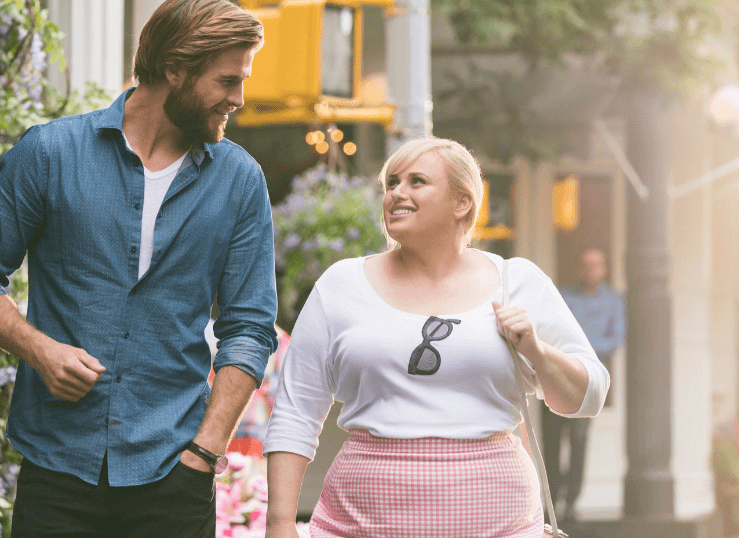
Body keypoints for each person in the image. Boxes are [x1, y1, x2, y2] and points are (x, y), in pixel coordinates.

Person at [0, 0, 279, 538]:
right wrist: (40, 349)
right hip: (56, 467)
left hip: (174, 471)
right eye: (227, 81)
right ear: (175, 69)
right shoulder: (50, 153)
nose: (239, 98)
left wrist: (205, 453)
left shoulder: (239, 180)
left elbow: (248, 327)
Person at [262, 137, 610, 538]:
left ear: (461, 203)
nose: (396, 193)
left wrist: (536, 350)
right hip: (360, 526)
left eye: (416, 182)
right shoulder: (341, 285)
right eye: (392, 182)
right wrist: (280, 524)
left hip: (501, 526)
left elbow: (589, 396)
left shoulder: (519, 282)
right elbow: (295, 412)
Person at [541, 247, 625, 521]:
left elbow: (615, 339)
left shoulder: (613, 301)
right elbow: (551, 330)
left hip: (587, 383)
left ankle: (572, 501)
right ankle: (551, 500)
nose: (591, 270)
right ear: (579, 269)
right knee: (552, 442)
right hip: (555, 378)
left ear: (604, 269)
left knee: (578, 441)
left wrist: (581, 347)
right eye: (586, 265)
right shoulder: (563, 297)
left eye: (597, 265)